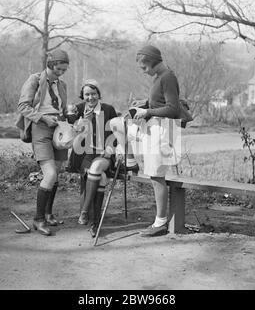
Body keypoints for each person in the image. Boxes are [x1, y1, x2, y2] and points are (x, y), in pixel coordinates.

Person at [110, 44, 181, 237]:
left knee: (156, 175)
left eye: (143, 67)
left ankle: (160, 223)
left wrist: (147, 111)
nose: (143, 71)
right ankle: (130, 161)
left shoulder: (168, 77)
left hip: (162, 130)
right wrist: (144, 103)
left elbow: (174, 109)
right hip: (152, 127)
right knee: (118, 123)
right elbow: (160, 102)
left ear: (150, 61)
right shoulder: (159, 78)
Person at [16, 49, 70, 236]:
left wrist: (68, 118)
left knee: (57, 172)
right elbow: (23, 106)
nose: (61, 72)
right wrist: (44, 119)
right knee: (50, 173)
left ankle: (48, 214)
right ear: (51, 64)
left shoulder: (62, 84)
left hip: (59, 129)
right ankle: (38, 220)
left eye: (64, 69)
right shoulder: (35, 80)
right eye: (59, 68)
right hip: (41, 127)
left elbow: (61, 108)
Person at [67, 79, 118, 237]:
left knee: (97, 169)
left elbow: (116, 133)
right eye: (87, 94)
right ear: (82, 95)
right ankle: (96, 224)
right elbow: (73, 134)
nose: (90, 97)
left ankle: (84, 212)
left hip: (104, 154)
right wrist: (84, 121)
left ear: (98, 94)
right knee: (101, 178)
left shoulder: (108, 109)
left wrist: (111, 148)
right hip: (84, 155)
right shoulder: (78, 109)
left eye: (94, 93)